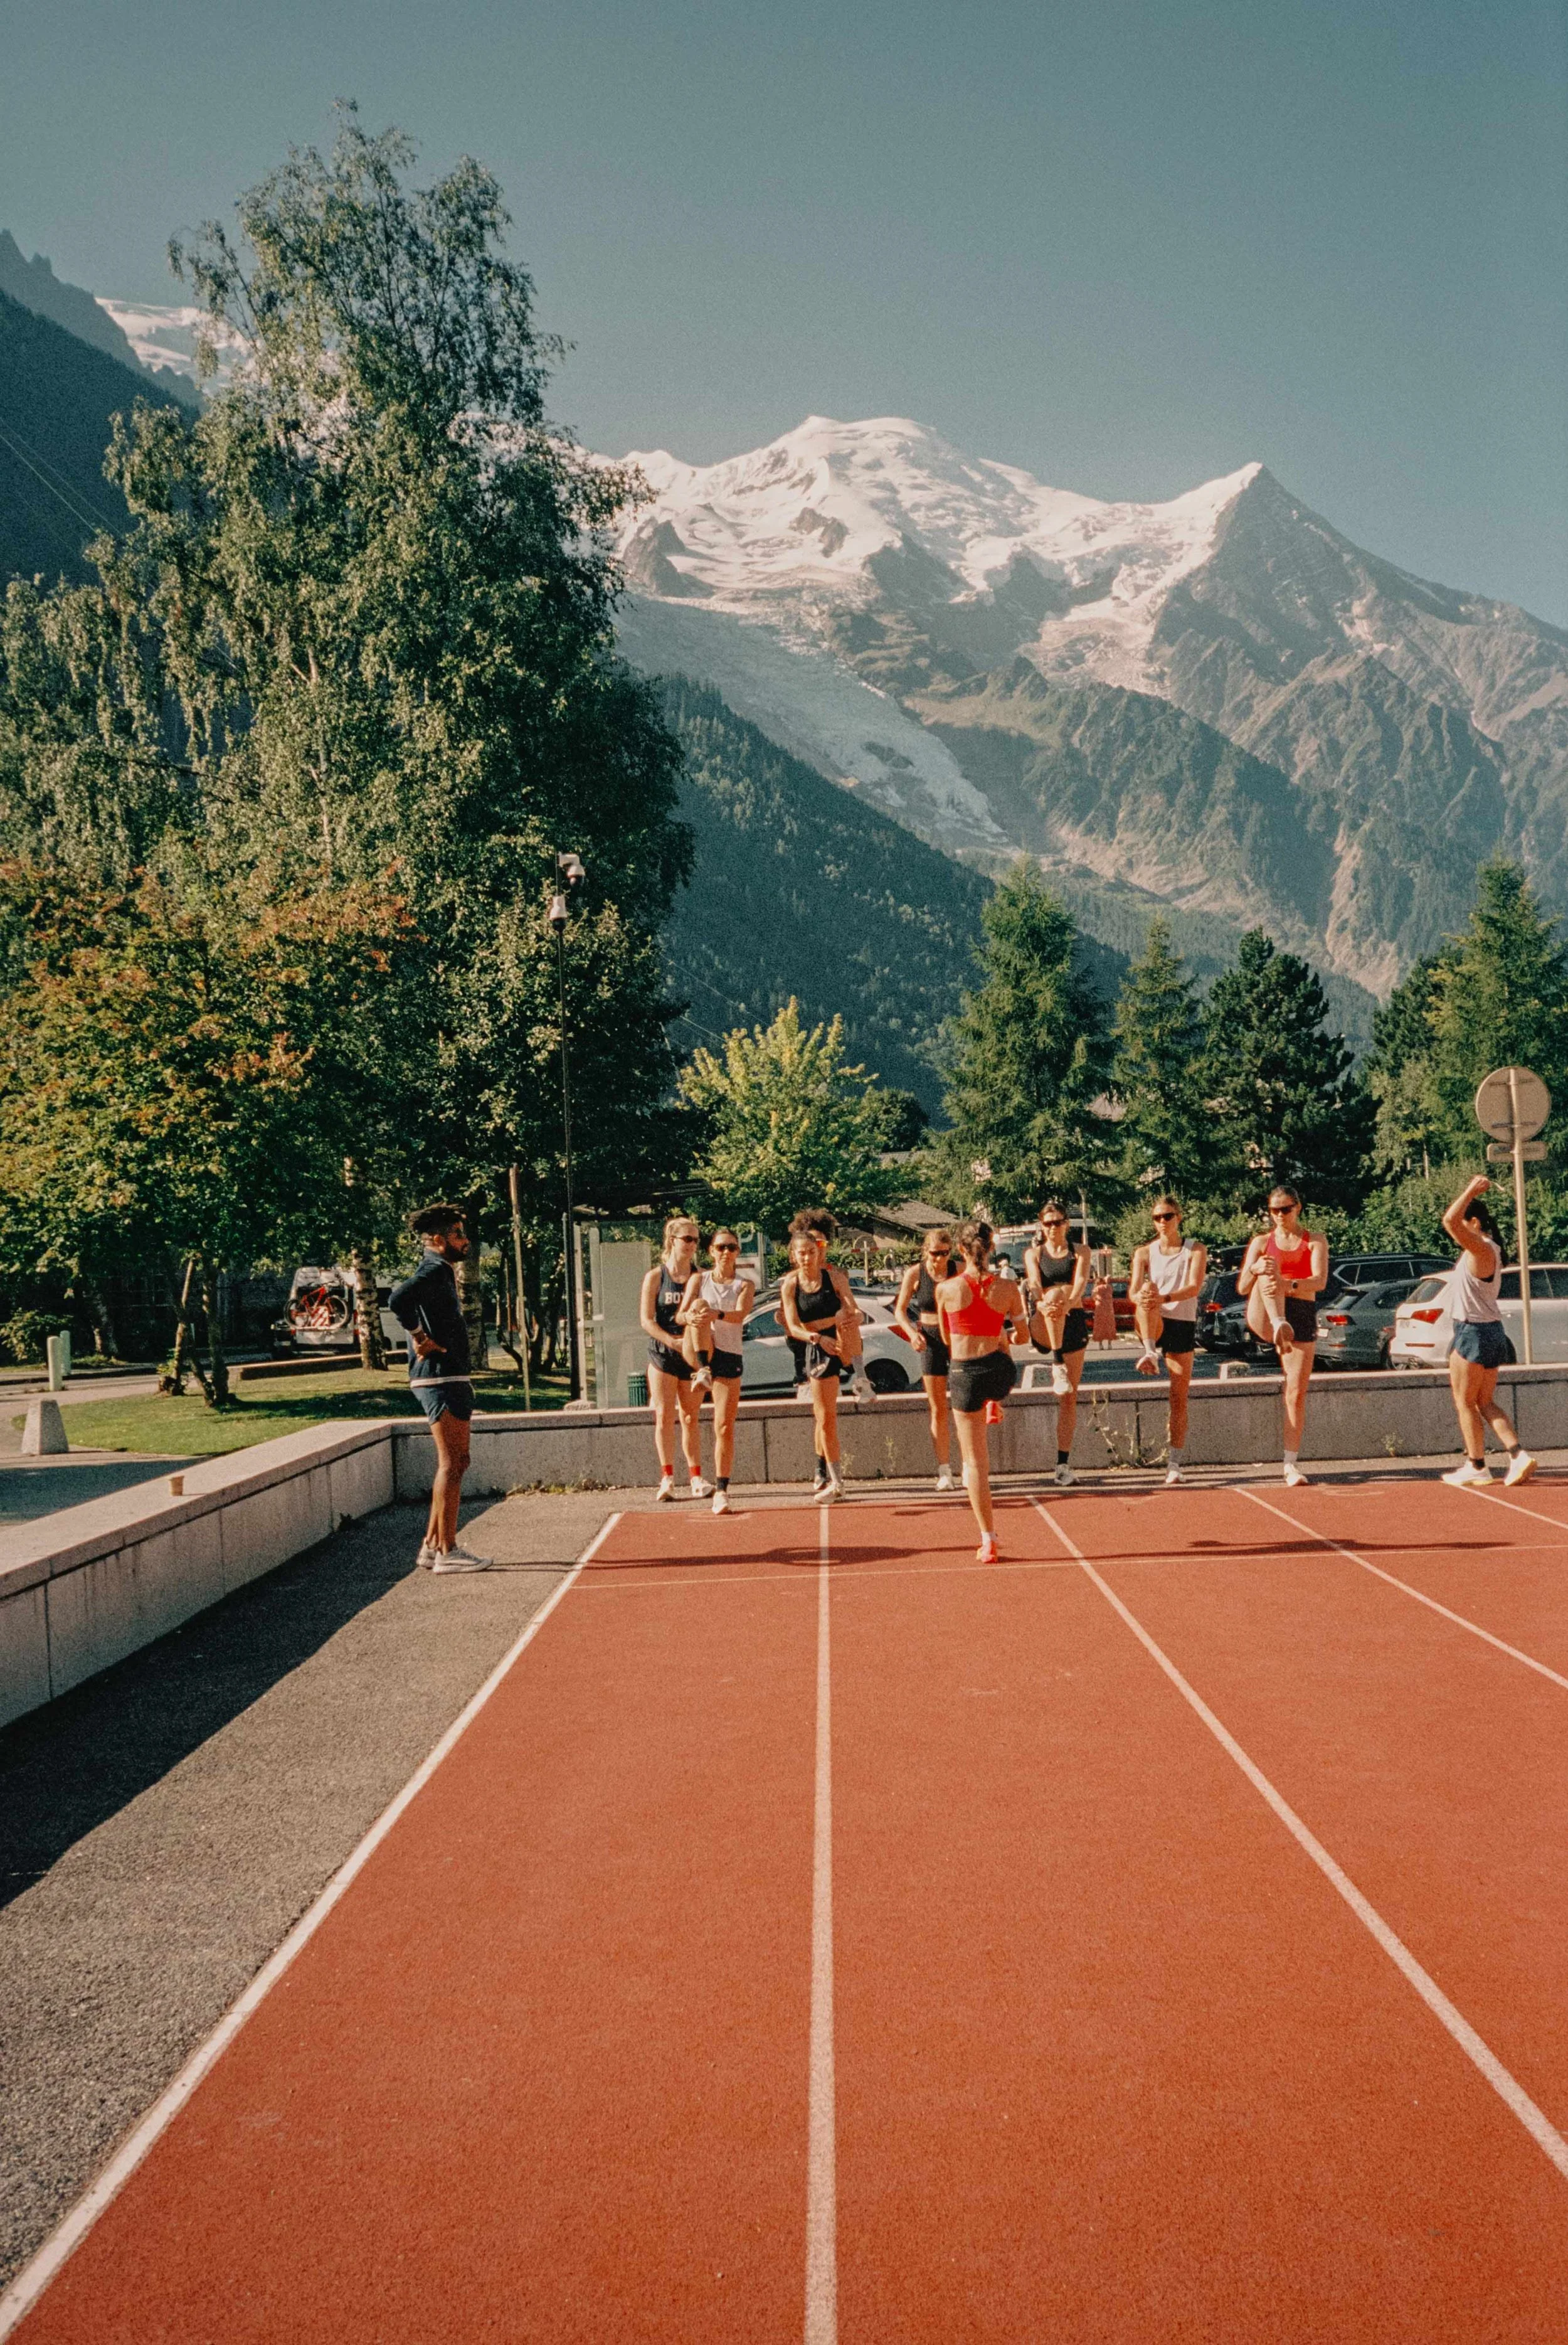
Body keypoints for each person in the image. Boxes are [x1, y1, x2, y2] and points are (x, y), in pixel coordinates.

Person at [388, 1205, 491, 1573]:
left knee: (459, 1461)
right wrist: (420, 1337)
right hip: (439, 1376)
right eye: (458, 1235)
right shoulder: (433, 1269)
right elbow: (397, 1299)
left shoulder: (440, 1272)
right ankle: (449, 1551)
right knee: (452, 1462)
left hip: (448, 1376)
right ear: (437, 1239)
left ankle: (433, 1546)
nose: (465, 1241)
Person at [936, 1221, 1032, 1562]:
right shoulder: (1009, 1287)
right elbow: (1023, 1338)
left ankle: (988, 1538)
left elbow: (948, 1342)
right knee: (1000, 1345)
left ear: (961, 1251)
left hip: (964, 1375)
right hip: (999, 1371)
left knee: (974, 1463)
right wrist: (1003, 1331)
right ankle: (996, 1399)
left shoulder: (946, 1289)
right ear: (991, 1249)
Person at [1439, 1175, 1537, 1489]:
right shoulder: (1486, 1251)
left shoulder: (1482, 1249)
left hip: (1474, 1331)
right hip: (1489, 1330)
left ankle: (1477, 1465)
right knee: (1484, 1401)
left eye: (1469, 1223)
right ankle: (1517, 1454)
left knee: (1465, 1402)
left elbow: (1450, 1221)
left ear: (1476, 1223)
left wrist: (1469, 1190)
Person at [1237, 1185, 1327, 1487]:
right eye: (1274, 1211)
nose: (1279, 1216)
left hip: (1299, 1312)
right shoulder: (1262, 1241)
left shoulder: (1314, 1241)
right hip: (1265, 1313)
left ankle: (1290, 1464)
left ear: (1298, 1208)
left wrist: (1288, 1284)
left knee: (1295, 1392)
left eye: (1285, 1210)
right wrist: (1257, 1267)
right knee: (1267, 1265)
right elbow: (1242, 1287)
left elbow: (1320, 1281)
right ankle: (1277, 1323)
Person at [780, 1211, 859, 1500]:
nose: (810, 1256)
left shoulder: (836, 1276)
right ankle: (825, 1472)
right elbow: (792, 1324)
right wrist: (817, 1334)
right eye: (803, 1251)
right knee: (823, 1416)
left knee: (847, 1321)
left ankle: (861, 1377)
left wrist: (849, 1316)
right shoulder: (790, 1284)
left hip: (837, 1342)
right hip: (810, 1346)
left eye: (817, 1249)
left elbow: (851, 1310)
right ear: (794, 1253)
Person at [1128, 1198, 1207, 1486]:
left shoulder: (1194, 1249)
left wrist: (1165, 1297)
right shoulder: (1144, 1252)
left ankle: (1174, 1462)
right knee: (1147, 1290)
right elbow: (1134, 1291)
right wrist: (1147, 1297)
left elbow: (1194, 1287)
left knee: (1178, 1395)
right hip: (1153, 1317)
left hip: (1181, 1320)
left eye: (1168, 1216)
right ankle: (1149, 1351)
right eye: (1158, 1217)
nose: (1162, 1222)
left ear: (1179, 1218)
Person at [679, 1228, 755, 1514]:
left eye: (732, 1248)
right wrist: (696, 1316)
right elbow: (681, 1315)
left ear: (737, 1252)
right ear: (711, 1251)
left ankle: (722, 1490)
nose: (726, 1253)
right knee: (699, 1304)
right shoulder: (699, 1280)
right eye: (721, 1247)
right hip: (701, 1346)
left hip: (729, 1353)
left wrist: (717, 1314)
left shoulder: (744, 1285)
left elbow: (740, 1315)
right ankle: (702, 1370)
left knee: (723, 1426)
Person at [638, 1216, 712, 1502]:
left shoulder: (701, 1276)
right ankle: (667, 1478)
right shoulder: (656, 1277)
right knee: (664, 1416)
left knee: (691, 1417)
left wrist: (697, 1347)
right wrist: (671, 1341)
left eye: (696, 1240)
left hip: (691, 1354)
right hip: (663, 1351)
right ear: (672, 1241)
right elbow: (646, 1320)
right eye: (688, 1239)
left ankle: (696, 1477)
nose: (693, 1245)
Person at [1024, 1201, 1092, 1483]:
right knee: (1052, 1297)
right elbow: (1036, 1286)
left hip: (1071, 1318)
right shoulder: (1034, 1254)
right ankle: (1055, 1361)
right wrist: (1046, 1303)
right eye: (1048, 1223)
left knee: (1069, 1398)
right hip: (1044, 1318)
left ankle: (1062, 1464)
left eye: (1059, 1222)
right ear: (1042, 1226)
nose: (1053, 1228)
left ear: (1067, 1224)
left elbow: (1079, 1286)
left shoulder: (1081, 1252)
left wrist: (1065, 1304)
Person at [893, 1229, 958, 1491]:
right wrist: (912, 1334)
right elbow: (899, 1310)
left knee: (966, 1406)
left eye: (945, 1254)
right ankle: (944, 1470)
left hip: (957, 1338)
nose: (940, 1260)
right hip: (930, 1338)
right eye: (935, 1254)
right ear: (925, 1251)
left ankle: (972, 1465)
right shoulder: (915, 1273)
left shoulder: (959, 1269)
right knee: (938, 1407)